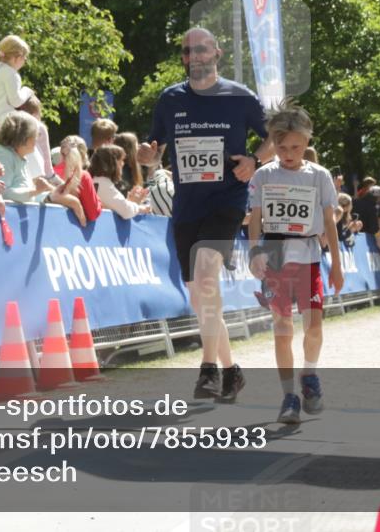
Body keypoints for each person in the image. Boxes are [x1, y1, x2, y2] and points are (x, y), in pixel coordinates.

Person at [137, 27, 272, 402]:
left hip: (226, 200)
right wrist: (147, 156)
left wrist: (254, 160)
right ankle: (232, 371)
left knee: (206, 273)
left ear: (217, 53)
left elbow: (274, 135)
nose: (194, 56)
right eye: (187, 51)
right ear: (183, 58)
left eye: (201, 49)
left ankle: (208, 369)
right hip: (187, 207)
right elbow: (153, 146)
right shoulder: (170, 100)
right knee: (201, 297)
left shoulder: (239, 97)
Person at [247, 102, 342, 423]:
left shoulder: (319, 176)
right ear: (273, 144)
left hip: (310, 259)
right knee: (283, 328)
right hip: (275, 258)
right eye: (282, 146)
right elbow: (255, 217)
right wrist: (254, 251)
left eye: (296, 147)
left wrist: (338, 265)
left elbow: (330, 222)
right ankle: (289, 396)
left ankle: (310, 375)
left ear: (307, 143)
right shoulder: (264, 175)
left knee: (313, 328)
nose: (289, 152)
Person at [0, 112, 59, 204]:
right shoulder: (2, 156)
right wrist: (35, 191)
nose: (37, 139)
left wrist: (53, 193)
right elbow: (0, 193)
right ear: (24, 136)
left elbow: (26, 197)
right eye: (36, 135)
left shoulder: (16, 157)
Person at [89, 144, 151, 219]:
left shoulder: (97, 181)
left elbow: (121, 207)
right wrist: (141, 208)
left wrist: (130, 201)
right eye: (121, 160)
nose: (123, 164)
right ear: (112, 163)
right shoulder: (103, 183)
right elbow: (126, 211)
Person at [58, 134, 100, 226]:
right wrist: (99, 201)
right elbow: (93, 214)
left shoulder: (52, 173)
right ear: (83, 154)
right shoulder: (82, 176)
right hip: (73, 232)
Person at [15, 95, 56, 183]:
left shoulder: (14, 127)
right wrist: (51, 176)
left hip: (20, 174)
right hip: (38, 173)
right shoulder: (39, 127)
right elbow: (46, 157)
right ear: (37, 112)